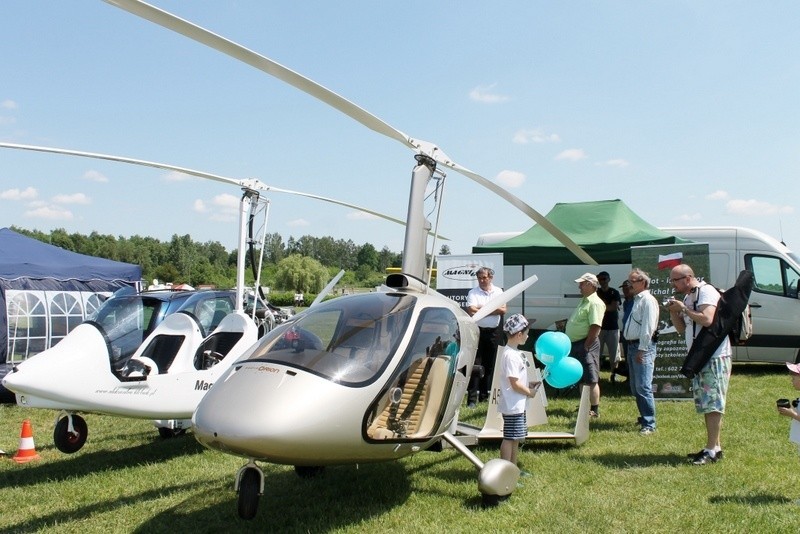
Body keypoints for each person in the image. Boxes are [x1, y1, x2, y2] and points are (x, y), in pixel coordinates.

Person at [665, 263, 731, 465]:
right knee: (706, 403)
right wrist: (674, 312)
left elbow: (708, 319)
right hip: (700, 357)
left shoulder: (706, 292)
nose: (672, 284)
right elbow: (681, 328)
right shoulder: (688, 296)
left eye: (675, 280)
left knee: (713, 404)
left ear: (688, 278)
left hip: (714, 356)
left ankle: (711, 450)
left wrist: (684, 308)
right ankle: (714, 447)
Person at [498, 314, 540, 469]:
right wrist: (530, 391)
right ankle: (504, 469)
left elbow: (516, 380)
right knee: (509, 438)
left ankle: (513, 467)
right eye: (527, 333)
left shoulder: (514, 353)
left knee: (515, 438)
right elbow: (514, 384)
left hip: (517, 404)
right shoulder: (510, 355)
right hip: (512, 404)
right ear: (519, 335)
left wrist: (528, 383)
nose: (528, 336)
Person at [622, 269, 660, 435]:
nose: (629, 284)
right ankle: (644, 417)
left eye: (633, 281)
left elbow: (648, 327)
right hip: (632, 345)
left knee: (643, 386)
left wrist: (642, 349)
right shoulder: (636, 299)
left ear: (643, 283)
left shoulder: (648, 300)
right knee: (635, 386)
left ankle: (649, 423)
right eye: (629, 281)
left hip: (641, 346)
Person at [565, 273, 605, 417]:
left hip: (587, 343)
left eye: (582, 283)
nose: (579, 286)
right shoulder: (584, 300)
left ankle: (594, 410)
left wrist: (587, 344)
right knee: (581, 377)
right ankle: (584, 407)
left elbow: (595, 326)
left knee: (591, 378)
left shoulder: (595, 303)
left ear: (590, 284)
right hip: (579, 343)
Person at [465, 267, 506, 408]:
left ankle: (484, 396)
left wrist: (482, 309)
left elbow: (503, 310)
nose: (482, 280)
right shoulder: (473, 292)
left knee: (489, 365)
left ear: (490, 278)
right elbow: (471, 310)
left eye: (484, 277)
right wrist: (491, 309)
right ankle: (471, 400)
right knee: (476, 365)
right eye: (480, 278)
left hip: (494, 332)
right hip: (477, 331)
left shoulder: (499, 292)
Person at [596, 271, 622, 371]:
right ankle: (596, 376)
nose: (602, 281)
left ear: (609, 279)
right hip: (599, 328)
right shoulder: (596, 293)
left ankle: (613, 375)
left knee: (614, 354)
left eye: (604, 279)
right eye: (600, 279)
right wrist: (607, 306)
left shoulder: (614, 292)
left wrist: (600, 306)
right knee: (597, 354)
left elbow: (614, 307)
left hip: (613, 328)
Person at [611, 279, 635, 383]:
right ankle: (629, 378)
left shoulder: (636, 301)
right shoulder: (625, 302)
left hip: (633, 335)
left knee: (633, 358)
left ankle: (633, 379)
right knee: (628, 358)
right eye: (624, 288)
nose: (625, 290)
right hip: (626, 333)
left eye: (627, 288)